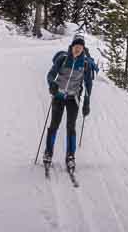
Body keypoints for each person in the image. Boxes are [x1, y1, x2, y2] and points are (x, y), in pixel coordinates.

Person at [43, 34, 97, 172]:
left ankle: (70, 157)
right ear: (72, 46)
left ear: (83, 49)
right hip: (59, 96)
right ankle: (48, 153)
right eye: (76, 46)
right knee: (54, 125)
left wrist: (87, 102)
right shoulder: (62, 59)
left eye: (80, 47)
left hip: (73, 99)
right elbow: (50, 74)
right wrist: (52, 84)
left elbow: (88, 84)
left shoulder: (85, 64)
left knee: (71, 127)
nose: (77, 49)